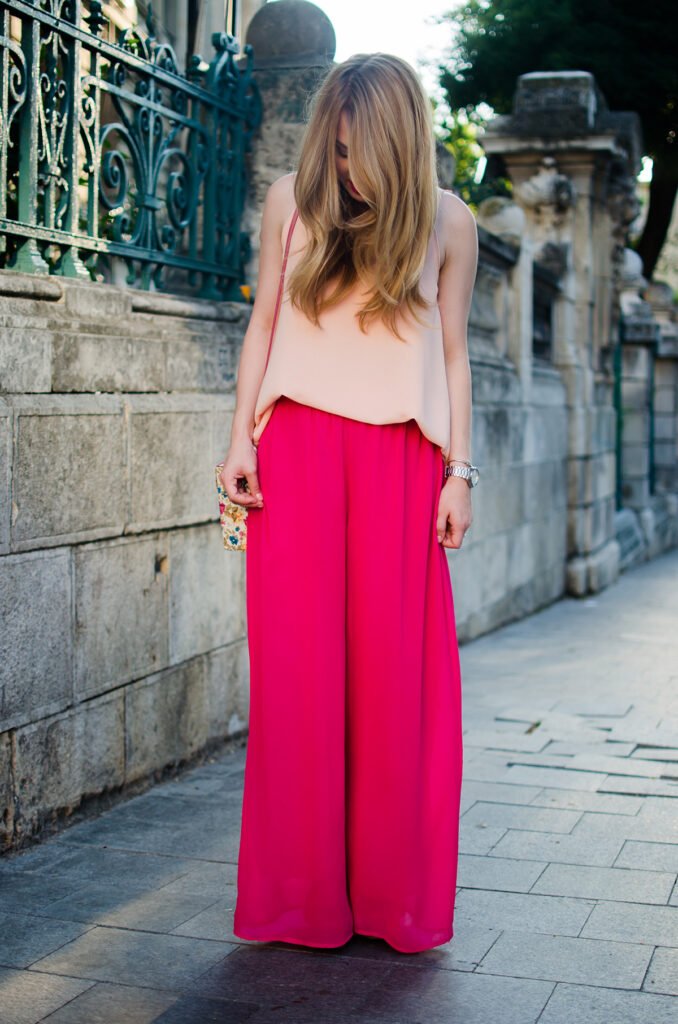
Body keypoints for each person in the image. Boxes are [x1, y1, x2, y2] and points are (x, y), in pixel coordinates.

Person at [219, 52, 479, 955]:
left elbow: (452, 356)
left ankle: (388, 902)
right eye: (334, 144)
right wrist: (237, 439)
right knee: (299, 684)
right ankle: (301, 903)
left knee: (393, 686)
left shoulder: (449, 222)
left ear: (399, 141)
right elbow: (263, 324)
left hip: (403, 465)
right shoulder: (292, 203)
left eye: (358, 148)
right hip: (295, 457)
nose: (344, 165)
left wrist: (461, 471)